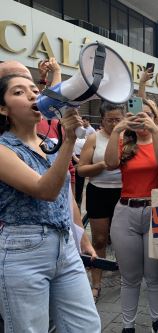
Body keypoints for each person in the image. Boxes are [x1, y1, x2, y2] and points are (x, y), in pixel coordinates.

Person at [0, 73, 100, 332]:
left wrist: (82, 238)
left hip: (65, 246)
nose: (33, 94)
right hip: (23, 251)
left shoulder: (50, 144)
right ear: (3, 109)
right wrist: (69, 141)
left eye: (34, 89)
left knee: (86, 326)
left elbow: (66, 196)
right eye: (19, 92)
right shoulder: (3, 149)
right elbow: (45, 190)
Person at [104, 98, 158, 333]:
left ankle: (157, 321)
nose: (141, 118)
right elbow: (110, 163)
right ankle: (128, 326)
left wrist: (155, 130)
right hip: (126, 211)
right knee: (129, 277)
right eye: (137, 114)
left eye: (148, 115)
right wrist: (117, 131)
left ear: (155, 117)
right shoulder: (124, 142)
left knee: (156, 275)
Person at [77, 102, 125, 303]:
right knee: (99, 239)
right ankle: (96, 283)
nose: (113, 124)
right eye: (109, 120)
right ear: (102, 119)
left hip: (124, 192)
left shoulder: (129, 137)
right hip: (99, 191)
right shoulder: (94, 138)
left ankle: (126, 277)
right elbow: (81, 169)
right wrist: (102, 165)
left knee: (123, 239)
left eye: (117, 119)